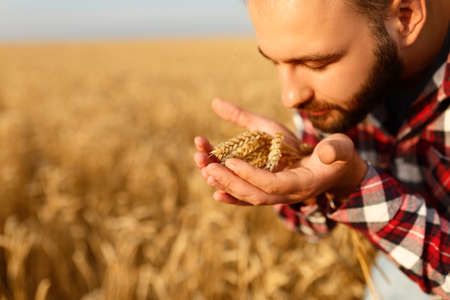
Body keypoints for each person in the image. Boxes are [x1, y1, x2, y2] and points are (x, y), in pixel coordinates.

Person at [193, 0, 450, 298]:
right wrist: (302, 178)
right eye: (276, 62)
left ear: (406, 17)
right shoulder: (329, 86)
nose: (290, 96)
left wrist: (354, 188)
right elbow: (313, 227)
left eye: (316, 64)